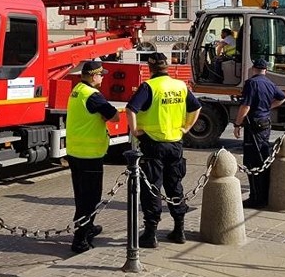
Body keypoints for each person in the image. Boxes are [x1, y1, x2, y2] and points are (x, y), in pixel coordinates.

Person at [126, 52, 201, 248]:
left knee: (152, 189)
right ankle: (179, 229)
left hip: (153, 144)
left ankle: (150, 234)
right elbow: (196, 108)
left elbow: (131, 108)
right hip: (175, 143)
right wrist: (186, 128)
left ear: (150, 68)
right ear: (167, 67)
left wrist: (135, 130)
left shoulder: (149, 87)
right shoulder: (180, 86)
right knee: (175, 186)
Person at [65, 60, 120, 253]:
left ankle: (87, 227)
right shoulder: (93, 96)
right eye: (101, 74)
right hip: (89, 155)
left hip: (75, 153)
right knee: (90, 198)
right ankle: (80, 240)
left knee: (81, 196)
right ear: (92, 75)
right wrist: (105, 116)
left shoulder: (77, 90)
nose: (103, 77)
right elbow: (115, 116)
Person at [232, 58, 285, 208]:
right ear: (266, 70)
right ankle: (264, 194)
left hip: (253, 125)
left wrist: (237, 124)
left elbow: (245, 106)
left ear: (253, 69)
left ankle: (256, 197)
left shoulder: (252, 83)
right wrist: (269, 107)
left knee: (253, 162)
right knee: (263, 158)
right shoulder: (269, 83)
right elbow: (283, 97)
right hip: (265, 123)